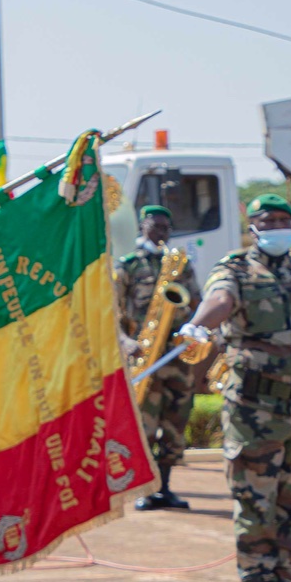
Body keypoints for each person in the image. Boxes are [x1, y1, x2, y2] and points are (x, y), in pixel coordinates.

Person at [180, 193, 291, 582]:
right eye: (270, 220)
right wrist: (198, 323)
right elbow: (221, 301)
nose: (280, 227)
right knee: (255, 505)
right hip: (255, 410)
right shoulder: (235, 268)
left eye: (286, 220)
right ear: (255, 226)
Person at [112, 204, 203, 511]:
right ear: (143, 226)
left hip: (175, 356)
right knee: (145, 427)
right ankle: (144, 489)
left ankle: (165, 488)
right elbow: (110, 311)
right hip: (143, 357)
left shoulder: (179, 263)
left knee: (176, 424)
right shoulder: (128, 265)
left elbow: (197, 302)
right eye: (155, 226)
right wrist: (124, 341)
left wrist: (195, 330)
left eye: (166, 227)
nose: (161, 232)